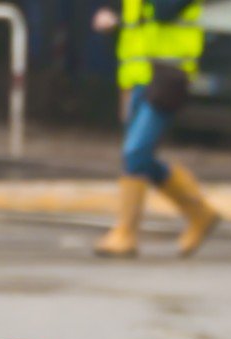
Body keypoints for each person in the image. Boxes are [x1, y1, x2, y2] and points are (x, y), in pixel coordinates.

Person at [92, 0, 220, 259]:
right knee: (138, 157)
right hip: (134, 76)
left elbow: (164, 10)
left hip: (167, 77)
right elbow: (132, 21)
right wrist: (111, 17)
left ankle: (125, 233)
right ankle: (200, 213)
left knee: (135, 151)